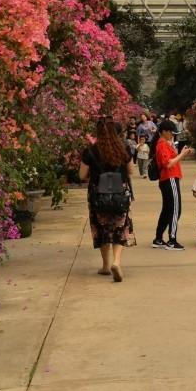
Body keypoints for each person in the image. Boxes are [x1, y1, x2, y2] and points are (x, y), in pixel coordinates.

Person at [78, 119, 136, 283]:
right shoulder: (124, 148)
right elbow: (131, 170)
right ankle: (117, 262)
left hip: (98, 195)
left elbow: (82, 176)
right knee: (119, 226)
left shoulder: (90, 151)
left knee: (102, 227)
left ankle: (105, 265)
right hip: (119, 193)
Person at [152, 119, 193, 250]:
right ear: (164, 131)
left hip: (168, 179)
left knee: (167, 210)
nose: (172, 135)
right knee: (176, 209)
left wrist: (181, 153)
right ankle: (172, 239)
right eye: (170, 132)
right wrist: (182, 154)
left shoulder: (164, 143)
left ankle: (159, 238)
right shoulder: (162, 144)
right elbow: (168, 163)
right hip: (169, 178)